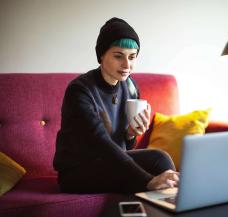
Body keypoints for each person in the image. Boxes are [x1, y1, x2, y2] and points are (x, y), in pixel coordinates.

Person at [53, 17, 179, 193]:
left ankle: (172, 206)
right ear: (102, 55)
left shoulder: (130, 86)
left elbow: (126, 148)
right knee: (153, 168)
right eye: (118, 56)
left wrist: (130, 134)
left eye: (132, 57)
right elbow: (102, 143)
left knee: (159, 159)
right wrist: (148, 181)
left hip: (112, 162)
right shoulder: (80, 90)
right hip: (79, 171)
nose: (127, 65)